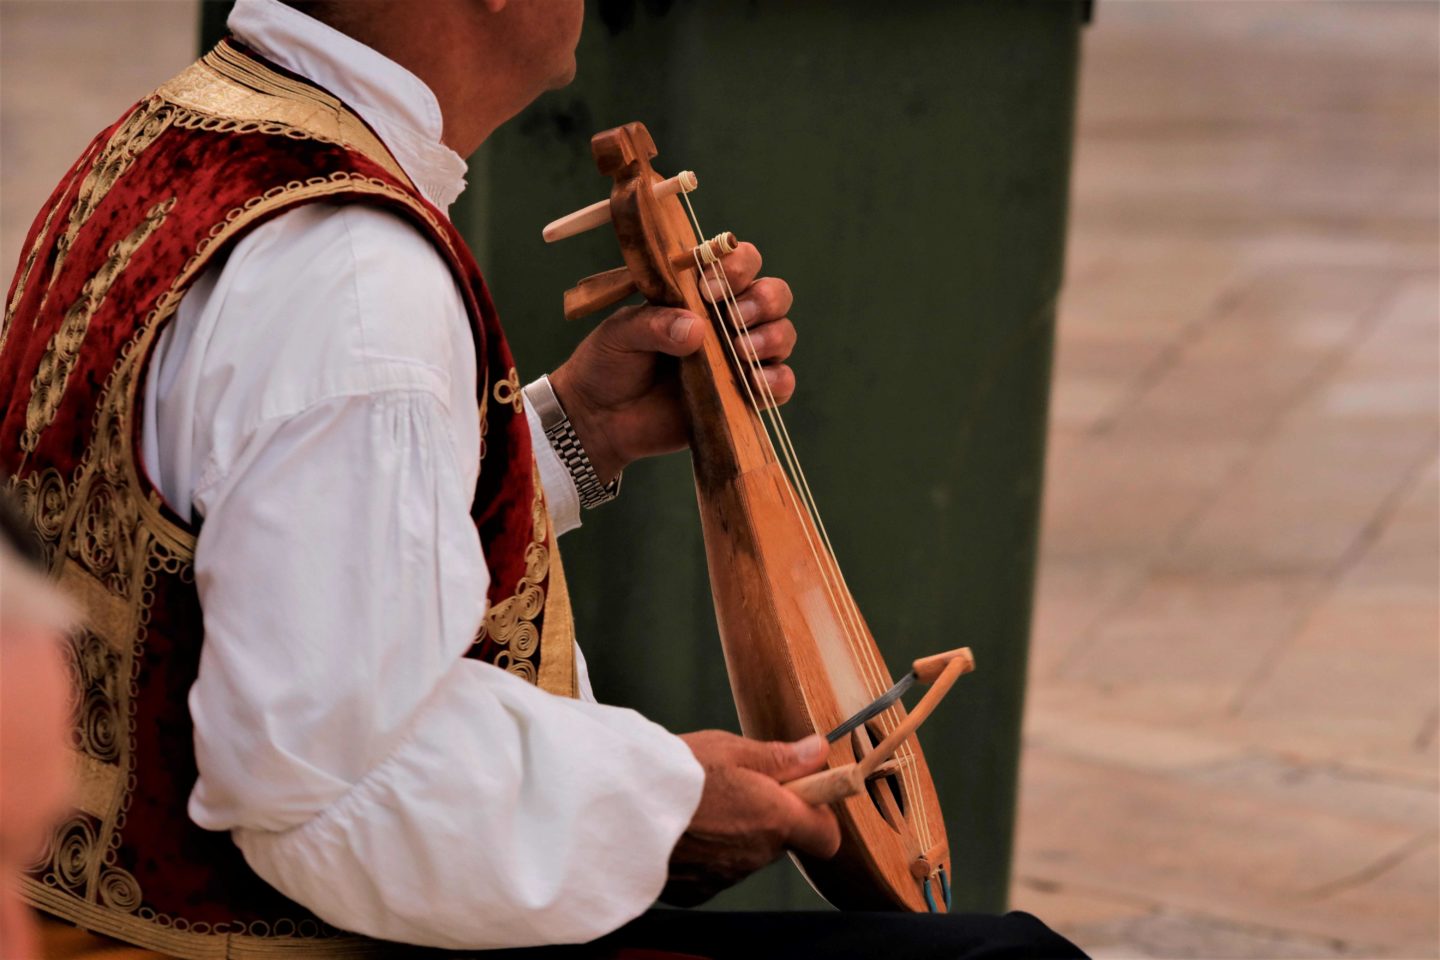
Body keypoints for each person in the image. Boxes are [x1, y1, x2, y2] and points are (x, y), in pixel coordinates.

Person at [0, 1, 1086, 956]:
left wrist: (572, 435)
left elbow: (239, 541)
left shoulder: (166, 144)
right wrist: (659, 805)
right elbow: (328, 790)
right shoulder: (356, 280)